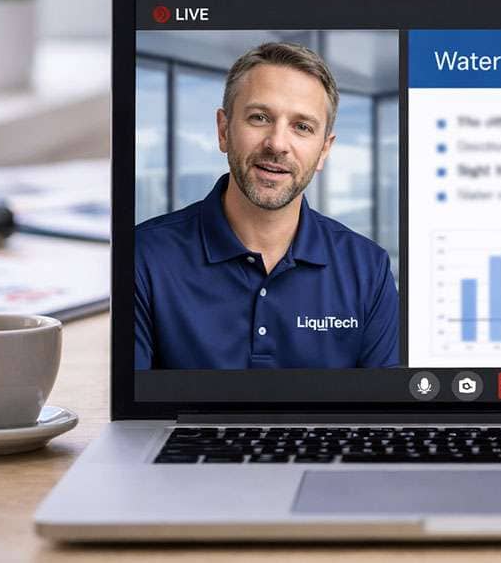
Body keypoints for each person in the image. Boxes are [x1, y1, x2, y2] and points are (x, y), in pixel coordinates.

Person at [134, 42, 399, 369]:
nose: (277, 144)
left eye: (302, 127)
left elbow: (379, 412)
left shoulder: (368, 268)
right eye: (259, 117)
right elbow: (138, 411)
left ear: (324, 151)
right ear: (223, 130)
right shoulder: (144, 254)